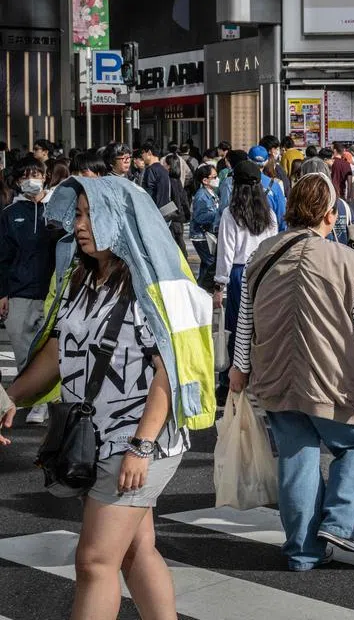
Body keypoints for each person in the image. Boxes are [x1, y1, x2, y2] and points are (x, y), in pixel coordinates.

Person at [5, 174, 215, 619]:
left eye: (88, 214)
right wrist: (10, 398)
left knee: (94, 561)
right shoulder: (81, 278)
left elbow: (169, 373)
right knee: (136, 551)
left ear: (118, 219)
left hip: (138, 440)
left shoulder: (152, 288)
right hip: (93, 435)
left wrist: (141, 447)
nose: (79, 225)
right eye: (77, 215)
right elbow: (61, 349)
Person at [228, 172, 354, 570]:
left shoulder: (261, 255)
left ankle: (301, 551)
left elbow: (245, 319)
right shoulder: (347, 260)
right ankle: (339, 521)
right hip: (334, 378)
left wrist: (239, 367)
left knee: (296, 457)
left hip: (275, 377)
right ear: (330, 215)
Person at [0, 158, 59, 424]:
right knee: (23, 349)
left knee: (50, 349)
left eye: (36, 173)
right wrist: (3, 293)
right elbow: (2, 256)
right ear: (17, 181)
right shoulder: (10, 214)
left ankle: (47, 399)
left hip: (51, 292)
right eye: (25, 175)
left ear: (46, 177)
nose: (31, 179)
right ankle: (36, 400)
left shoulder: (58, 209)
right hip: (19, 292)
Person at [213, 162, 278, 369]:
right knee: (261, 325)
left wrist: (219, 286)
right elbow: (273, 245)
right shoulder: (269, 214)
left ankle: (233, 376)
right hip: (265, 271)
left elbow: (226, 252)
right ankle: (259, 371)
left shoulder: (230, 213)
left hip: (239, 272)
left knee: (237, 327)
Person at [189, 163, 221, 290]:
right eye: (214, 177)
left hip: (207, 234)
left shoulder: (211, 192)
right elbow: (200, 217)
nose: (217, 179)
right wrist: (218, 215)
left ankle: (200, 287)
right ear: (205, 180)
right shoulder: (202, 196)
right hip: (201, 235)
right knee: (211, 263)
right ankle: (204, 288)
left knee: (206, 264)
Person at [249, 145, 287, 232]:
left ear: (248, 160)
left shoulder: (238, 182)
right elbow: (281, 216)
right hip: (269, 235)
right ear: (266, 162)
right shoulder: (274, 185)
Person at [164, 154, 192, 256]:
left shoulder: (169, 181)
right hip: (179, 216)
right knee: (179, 240)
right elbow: (184, 200)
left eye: (165, 164)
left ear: (169, 166)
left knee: (177, 242)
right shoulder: (177, 181)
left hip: (173, 216)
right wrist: (187, 214)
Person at [140, 142, 171, 210]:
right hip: (165, 211)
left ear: (149, 152)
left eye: (142, 152)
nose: (142, 156)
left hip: (155, 211)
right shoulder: (164, 170)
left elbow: (148, 194)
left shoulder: (150, 170)